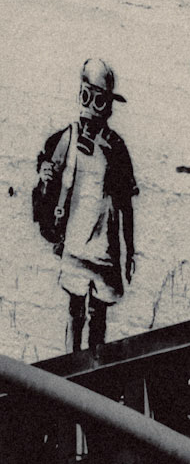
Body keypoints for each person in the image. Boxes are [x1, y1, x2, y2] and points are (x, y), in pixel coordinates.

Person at [33, 58, 138, 355]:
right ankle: (71, 370)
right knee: (76, 310)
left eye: (100, 100)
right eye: (87, 97)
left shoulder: (116, 149)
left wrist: (129, 251)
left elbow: (125, 205)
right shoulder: (67, 138)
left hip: (104, 251)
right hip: (76, 245)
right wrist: (45, 176)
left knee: (98, 316)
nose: (93, 107)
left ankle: (93, 372)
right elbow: (46, 168)